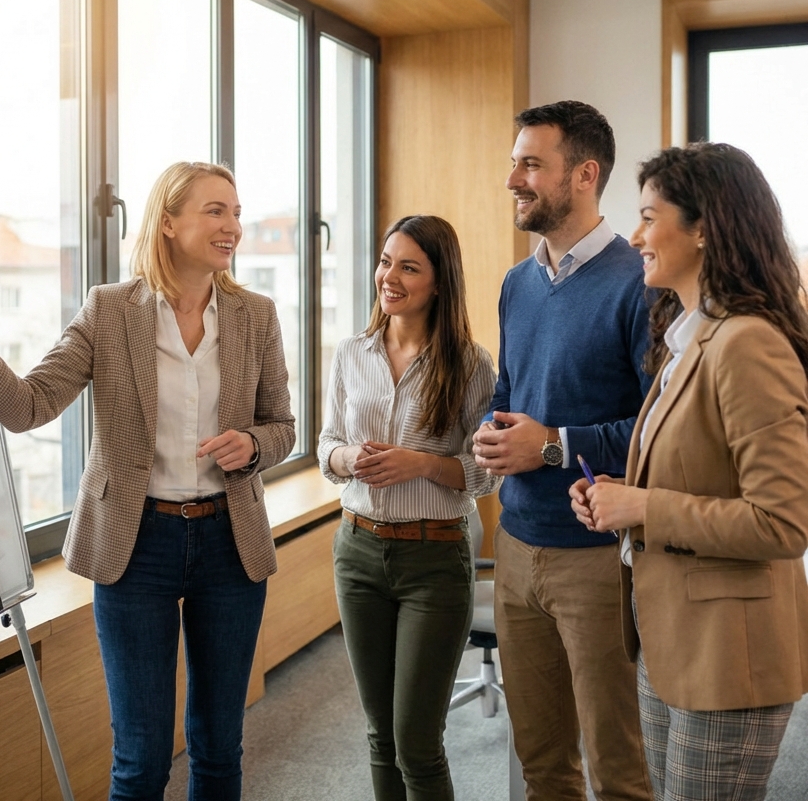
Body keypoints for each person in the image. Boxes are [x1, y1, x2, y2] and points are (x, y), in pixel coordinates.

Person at [0, 161, 295, 801]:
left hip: (231, 543)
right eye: (215, 211)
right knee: (141, 758)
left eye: (236, 213)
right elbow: (28, 406)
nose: (232, 226)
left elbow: (281, 425)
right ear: (167, 222)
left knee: (219, 747)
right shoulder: (111, 311)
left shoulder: (256, 314)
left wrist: (253, 444)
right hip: (136, 545)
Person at [570, 143, 808, 801]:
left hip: (728, 656)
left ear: (704, 228)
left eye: (649, 218)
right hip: (670, 638)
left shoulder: (748, 343)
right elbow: (695, 476)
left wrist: (644, 508)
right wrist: (623, 495)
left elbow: (783, 523)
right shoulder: (687, 337)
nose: (635, 237)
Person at [471, 101, 653, 801]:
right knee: (542, 765)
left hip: (598, 559)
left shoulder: (640, 282)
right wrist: (493, 432)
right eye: (514, 163)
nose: (512, 179)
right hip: (516, 547)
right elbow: (509, 392)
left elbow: (656, 430)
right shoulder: (517, 284)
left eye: (531, 164)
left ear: (584, 174)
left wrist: (550, 446)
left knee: (617, 767)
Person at [319, 214, 499, 801]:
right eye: (385, 262)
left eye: (409, 267)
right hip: (357, 552)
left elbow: (487, 472)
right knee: (380, 736)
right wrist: (348, 457)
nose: (389, 277)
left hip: (434, 558)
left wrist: (420, 463)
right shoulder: (351, 353)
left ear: (439, 282)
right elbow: (325, 447)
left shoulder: (471, 365)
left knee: (416, 743)